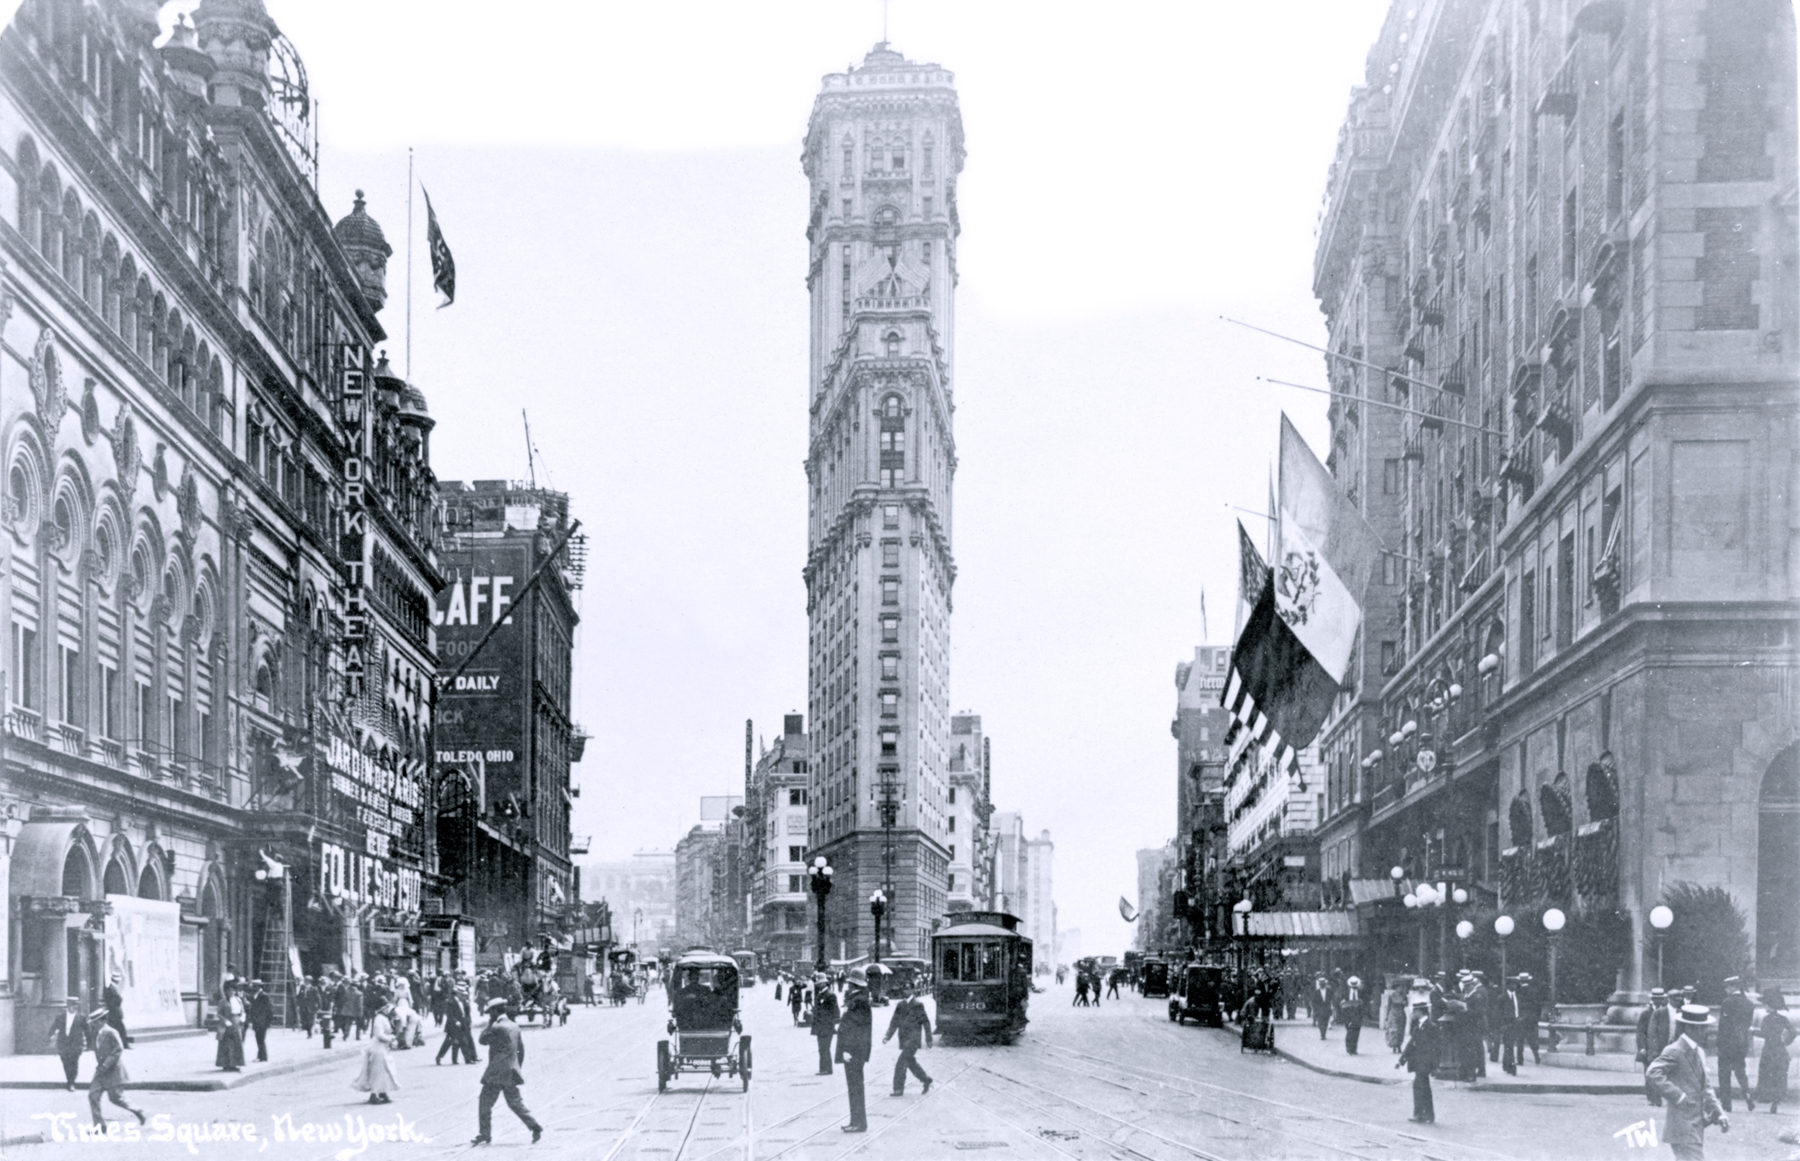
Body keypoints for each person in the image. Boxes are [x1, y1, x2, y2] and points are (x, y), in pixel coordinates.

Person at [1646, 1004, 1729, 1161]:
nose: (1706, 1031)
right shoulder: (1674, 1050)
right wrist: (1678, 1096)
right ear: (1691, 1028)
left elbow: (1706, 1087)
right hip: (1681, 1126)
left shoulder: (1699, 1052)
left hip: (1695, 1127)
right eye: (1702, 1028)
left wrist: (1718, 1112)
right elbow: (1653, 1072)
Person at [472, 997, 542, 1145]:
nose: (489, 1015)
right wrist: (515, 1068)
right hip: (510, 1071)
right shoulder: (514, 1026)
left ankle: (485, 1134)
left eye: (491, 1013)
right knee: (515, 1103)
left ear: (496, 1011)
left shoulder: (497, 1027)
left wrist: (490, 1024)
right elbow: (520, 1051)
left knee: (485, 1102)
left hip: (496, 1072)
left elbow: (482, 1040)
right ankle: (534, 1126)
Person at [87, 1007, 144, 1130]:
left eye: (95, 1022)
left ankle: (138, 1111)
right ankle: (99, 1125)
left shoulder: (111, 1032)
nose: (93, 1025)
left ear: (102, 1021)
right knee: (93, 1095)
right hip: (101, 1071)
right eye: (92, 1023)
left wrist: (105, 1065)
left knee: (116, 1098)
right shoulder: (96, 1033)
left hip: (112, 1070)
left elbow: (118, 1049)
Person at [837, 966, 872, 1132]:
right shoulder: (857, 1000)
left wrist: (847, 1050)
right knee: (854, 1087)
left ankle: (859, 1123)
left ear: (853, 985)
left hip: (854, 1051)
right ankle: (855, 1121)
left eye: (850, 983)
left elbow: (855, 1029)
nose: (848, 986)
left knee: (855, 1087)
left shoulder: (858, 1001)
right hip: (855, 1051)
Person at [1397, 982, 1438, 1125]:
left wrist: (1433, 1065)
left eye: (1414, 1012)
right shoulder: (1419, 1026)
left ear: (1420, 1012)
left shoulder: (1430, 1027)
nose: (1412, 1014)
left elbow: (1434, 1048)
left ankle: (1422, 1114)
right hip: (1420, 1064)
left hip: (1424, 1064)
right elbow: (1410, 1045)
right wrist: (1401, 1061)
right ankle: (1425, 1114)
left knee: (1421, 1089)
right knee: (1422, 1089)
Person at [884, 984, 934, 1096]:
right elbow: (894, 1022)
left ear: (912, 990)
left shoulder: (918, 1004)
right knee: (910, 1062)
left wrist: (928, 1039)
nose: (904, 991)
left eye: (907, 989)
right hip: (903, 1038)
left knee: (900, 1063)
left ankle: (898, 1089)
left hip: (913, 1039)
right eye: (903, 989)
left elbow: (925, 1022)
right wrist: (887, 1036)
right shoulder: (900, 1005)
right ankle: (926, 1079)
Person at [1716, 977, 1755, 1113]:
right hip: (1741, 1043)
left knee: (1724, 1074)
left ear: (1732, 987)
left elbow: (1723, 1026)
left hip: (1727, 1044)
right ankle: (1747, 1094)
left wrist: (1719, 1043)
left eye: (1727, 987)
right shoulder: (1749, 1004)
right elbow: (1747, 1025)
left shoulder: (1727, 1002)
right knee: (1740, 1071)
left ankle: (1726, 1104)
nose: (1726, 990)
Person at [354, 1000, 401, 1105]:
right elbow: (379, 1034)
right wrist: (390, 1038)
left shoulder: (384, 1018)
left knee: (385, 1071)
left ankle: (383, 1092)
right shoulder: (379, 1019)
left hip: (383, 1048)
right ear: (383, 1008)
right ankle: (374, 1094)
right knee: (378, 1072)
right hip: (378, 1048)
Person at [1756, 988, 1794, 1116]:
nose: (1765, 1007)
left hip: (1768, 1050)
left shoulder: (1766, 1019)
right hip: (1779, 1050)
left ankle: (1769, 1098)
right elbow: (1793, 1032)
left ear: (1770, 1006)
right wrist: (1786, 1041)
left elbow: (1764, 1033)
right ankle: (1776, 1101)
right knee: (1779, 1076)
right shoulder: (1783, 1018)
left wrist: (1752, 1031)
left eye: (1766, 1004)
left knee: (1768, 1075)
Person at [1639, 988, 1675, 1106]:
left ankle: (1658, 1098)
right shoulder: (1645, 1013)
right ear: (1652, 999)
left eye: (1660, 999)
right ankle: (1651, 1098)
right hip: (1649, 1048)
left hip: (1662, 1046)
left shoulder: (1665, 1012)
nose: (1658, 1001)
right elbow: (1640, 1032)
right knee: (1649, 1073)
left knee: (1660, 1073)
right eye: (1655, 998)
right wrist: (1642, 1047)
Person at [51, 997, 87, 1091]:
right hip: (63, 1045)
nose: (74, 1007)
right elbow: (53, 1028)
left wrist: (89, 1044)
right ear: (68, 1006)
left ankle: (71, 1083)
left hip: (76, 1045)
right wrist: (51, 1035)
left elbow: (88, 1031)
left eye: (76, 1005)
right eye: (72, 1005)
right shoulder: (60, 1017)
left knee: (74, 1064)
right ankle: (69, 1080)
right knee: (66, 1063)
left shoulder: (81, 1017)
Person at [215, 978, 246, 1072]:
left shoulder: (238, 1000)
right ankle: (226, 1064)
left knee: (237, 1044)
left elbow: (242, 1011)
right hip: (227, 1024)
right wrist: (225, 1021)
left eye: (233, 990)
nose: (231, 992)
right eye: (229, 990)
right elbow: (219, 1014)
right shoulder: (223, 1001)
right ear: (226, 991)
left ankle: (235, 1064)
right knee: (227, 1044)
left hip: (237, 1023)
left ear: (235, 991)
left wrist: (243, 1017)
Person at [1515, 972, 1542, 1064]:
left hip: (1521, 1018)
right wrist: (1536, 1017)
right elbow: (1538, 1006)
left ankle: (1520, 1060)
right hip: (1531, 1018)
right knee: (1531, 1038)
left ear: (1520, 981)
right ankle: (1536, 1056)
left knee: (1520, 1039)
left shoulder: (1517, 992)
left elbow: (1517, 1005)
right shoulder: (1535, 991)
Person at [247, 979, 274, 1063]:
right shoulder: (254, 995)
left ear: (258, 987)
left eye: (254, 986)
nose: (253, 987)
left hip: (262, 1021)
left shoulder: (264, 995)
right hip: (256, 1021)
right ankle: (261, 1056)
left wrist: (268, 1022)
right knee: (259, 1039)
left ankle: (262, 1057)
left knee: (261, 1039)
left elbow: (270, 1009)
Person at [102, 974, 130, 1048]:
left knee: (118, 1029)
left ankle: (122, 1044)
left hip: (115, 1013)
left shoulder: (113, 988)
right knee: (121, 1029)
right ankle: (124, 1044)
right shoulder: (111, 989)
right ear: (116, 980)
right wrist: (119, 998)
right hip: (114, 1013)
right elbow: (117, 1000)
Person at [1342, 976, 1366, 1055]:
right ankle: (1349, 1048)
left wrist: (1362, 1014)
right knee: (1349, 1032)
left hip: (1357, 1015)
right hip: (1348, 1014)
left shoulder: (1361, 993)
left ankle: (1354, 1049)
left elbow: (1363, 1004)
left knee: (1356, 1032)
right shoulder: (1346, 992)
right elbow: (1342, 1004)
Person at [1313, 975, 1334, 1040]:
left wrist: (1332, 1007)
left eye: (1323, 983)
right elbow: (1314, 1002)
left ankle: (1324, 1033)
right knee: (1320, 1023)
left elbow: (1332, 999)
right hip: (1319, 1010)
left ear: (1325, 984)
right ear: (1319, 984)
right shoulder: (1316, 992)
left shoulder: (1329, 991)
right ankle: (1322, 1034)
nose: (1322, 985)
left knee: (1325, 1022)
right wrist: (1316, 1009)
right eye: (1321, 984)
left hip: (1327, 1009)